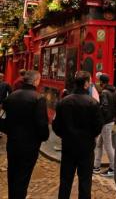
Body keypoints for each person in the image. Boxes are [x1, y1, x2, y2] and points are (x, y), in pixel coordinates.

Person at [53, 71, 104, 199]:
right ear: (86, 84)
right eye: (90, 81)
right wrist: (89, 136)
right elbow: (98, 127)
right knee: (85, 182)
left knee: (65, 181)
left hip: (68, 146)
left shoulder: (64, 102)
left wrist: (65, 135)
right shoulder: (93, 103)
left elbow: (56, 126)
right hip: (86, 148)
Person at [3, 70, 49, 199]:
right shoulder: (38, 98)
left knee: (12, 174)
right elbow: (42, 124)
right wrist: (43, 137)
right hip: (30, 144)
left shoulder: (11, 96)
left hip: (12, 142)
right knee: (23, 177)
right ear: (35, 81)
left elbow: (4, 119)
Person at [93, 73, 116, 177]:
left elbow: (103, 108)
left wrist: (99, 115)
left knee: (108, 145)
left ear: (102, 82)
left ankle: (113, 168)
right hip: (111, 120)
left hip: (105, 122)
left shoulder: (104, 92)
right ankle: (96, 166)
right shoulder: (114, 90)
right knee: (99, 144)